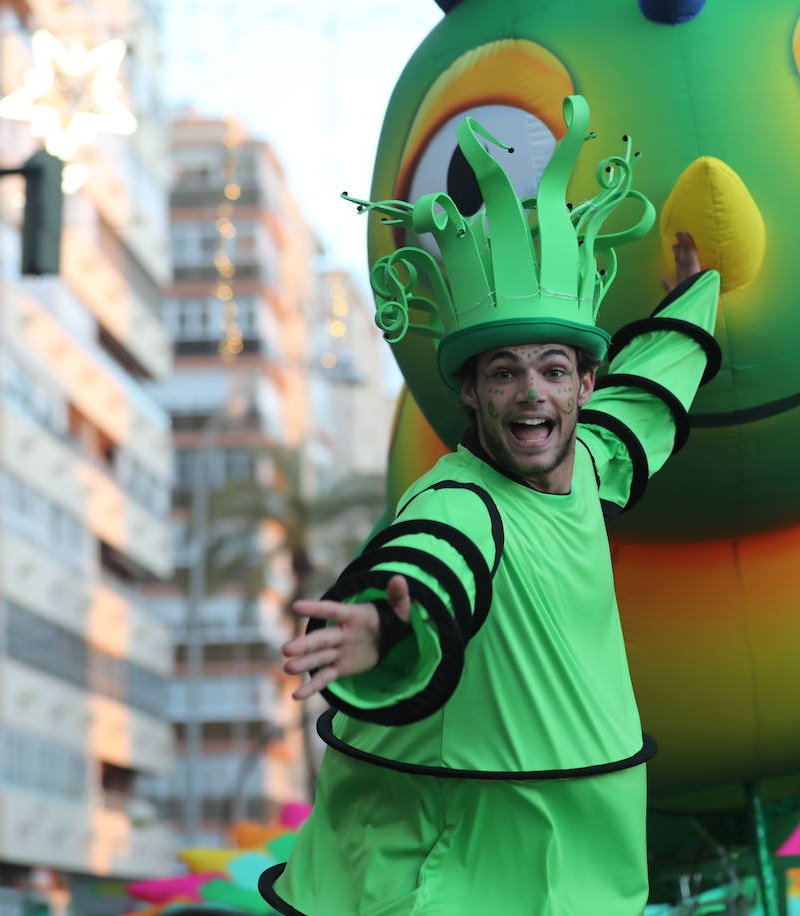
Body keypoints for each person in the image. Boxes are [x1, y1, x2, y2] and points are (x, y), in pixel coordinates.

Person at [259, 96, 721, 915]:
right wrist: (387, 627)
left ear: (584, 386)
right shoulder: (459, 499)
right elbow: (428, 561)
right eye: (504, 372)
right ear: (472, 394)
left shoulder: (592, 460)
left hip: (586, 870)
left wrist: (691, 300)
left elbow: (648, 400)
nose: (530, 392)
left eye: (551, 370)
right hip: (469, 873)